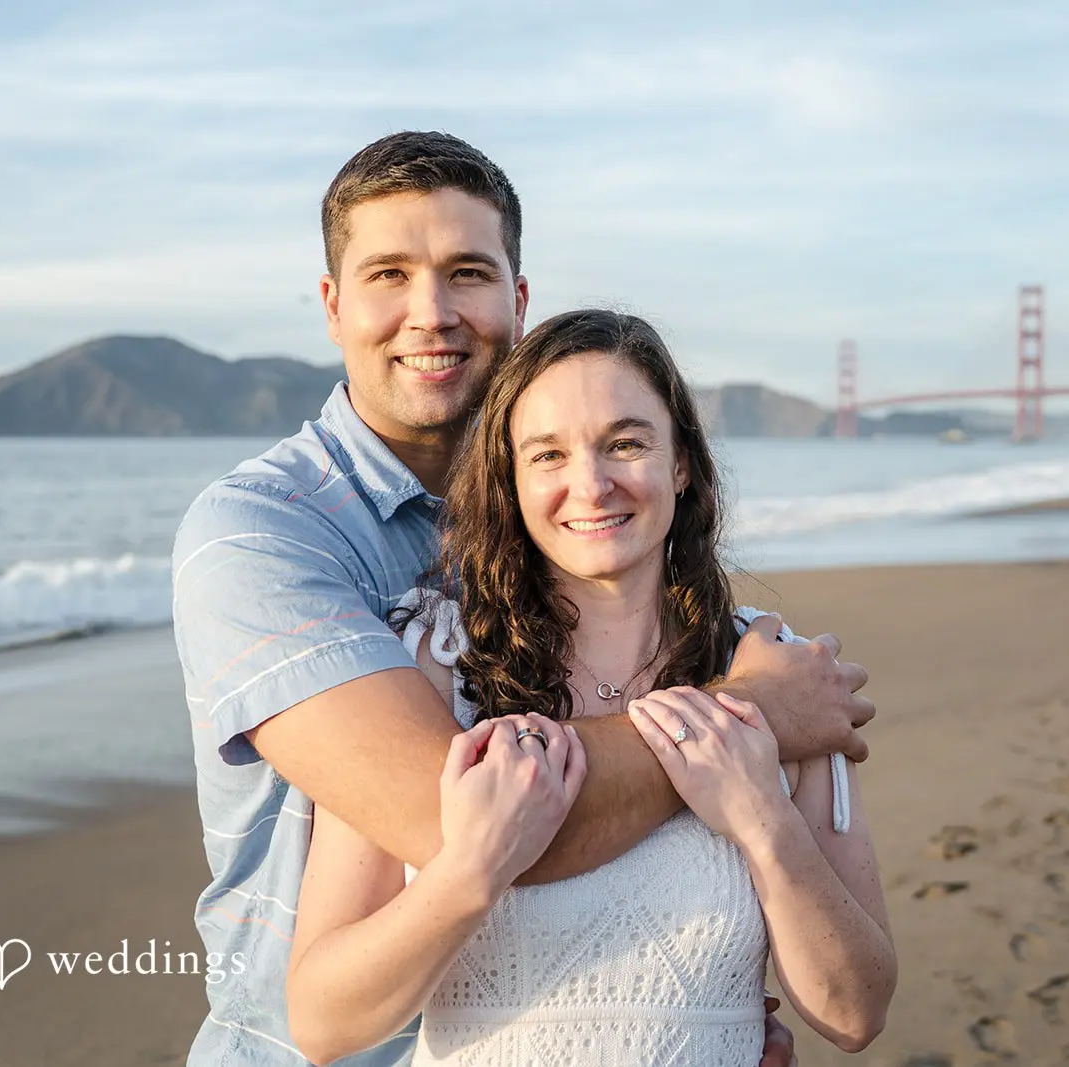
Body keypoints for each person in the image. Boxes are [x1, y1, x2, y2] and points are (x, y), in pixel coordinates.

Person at [171, 132, 875, 1067]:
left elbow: (849, 992)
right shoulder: (259, 535)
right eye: (389, 274)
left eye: (467, 271)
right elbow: (463, 822)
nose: (432, 313)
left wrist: (700, 1006)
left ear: (518, 298)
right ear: (334, 307)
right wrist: (753, 715)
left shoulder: (572, 548)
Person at [282, 310, 896, 1065]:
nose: (591, 484)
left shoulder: (775, 671)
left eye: (626, 443)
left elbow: (856, 1011)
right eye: (547, 455)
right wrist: (472, 872)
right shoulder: (432, 666)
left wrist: (765, 823)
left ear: (681, 464)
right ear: (510, 480)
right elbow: (321, 1020)